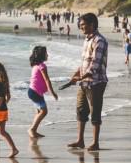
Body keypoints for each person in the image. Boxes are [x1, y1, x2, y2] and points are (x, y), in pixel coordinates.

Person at [67, 12, 108, 151]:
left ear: (92, 24)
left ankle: (95, 143)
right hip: (84, 82)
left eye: (84, 25)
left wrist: (80, 77)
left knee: (95, 112)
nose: (81, 27)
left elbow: (94, 66)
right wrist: (76, 74)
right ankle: (80, 141)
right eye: (80, 25)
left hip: (96, 82)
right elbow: (84, 63)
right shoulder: (87, 40)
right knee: (81, 110)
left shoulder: (99, 41)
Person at [27, 46, 59, 138]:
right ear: (42, 55)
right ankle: (32, 129)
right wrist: (52, 93)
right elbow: (47, 80)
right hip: (35, 92)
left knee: (39, 112)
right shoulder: (42, 66)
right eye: (46, 53)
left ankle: (33, 130)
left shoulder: (35, 65)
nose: (47, 55)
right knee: (44, 111)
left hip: (32, 91)